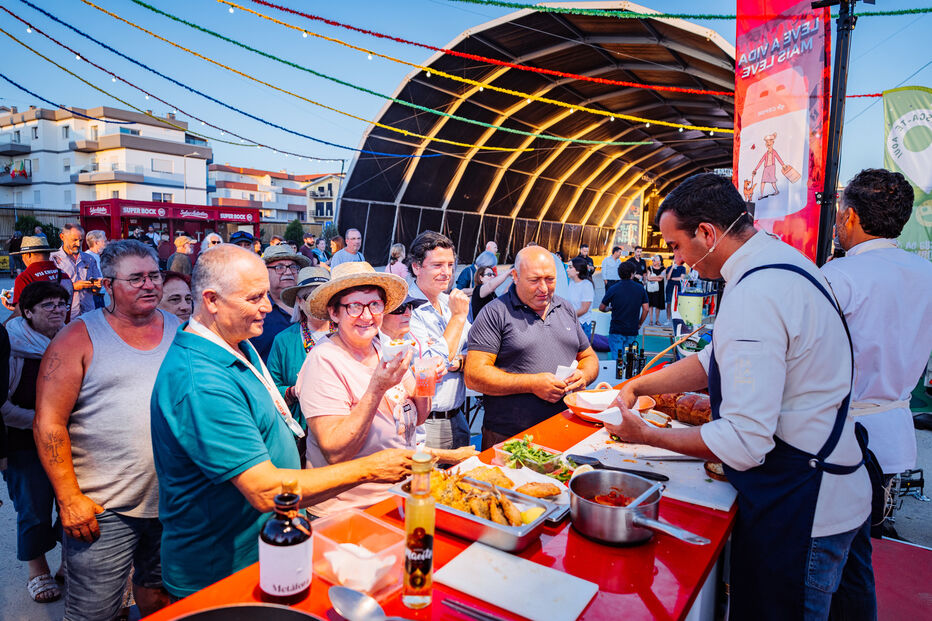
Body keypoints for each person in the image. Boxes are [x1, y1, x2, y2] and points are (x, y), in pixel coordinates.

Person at [604, 173, 872, 620]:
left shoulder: (755, 291)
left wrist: (646, 436)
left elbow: (745, 441)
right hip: (837, 484)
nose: (678, 260)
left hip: (804, 506)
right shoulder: (780, 264)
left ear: (707, 233)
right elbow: (716, 359)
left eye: (675, 246)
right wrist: (639, 385)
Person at [150, 245, 414, 598]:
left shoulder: (235, 343)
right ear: (212, 301)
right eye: (255, 297)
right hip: (220, 569)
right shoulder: (200, 381)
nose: (268, 306)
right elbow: (265, 490)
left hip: (265, 546)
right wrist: (371, 469)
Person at [34, 240, 179, 620]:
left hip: (172, 502)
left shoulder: (183, 332)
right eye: (136, 278)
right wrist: (68, 498)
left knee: (160, 599)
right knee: (94, 612)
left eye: (154, 276)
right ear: (108, 284)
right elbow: (48, 422)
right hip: (103, 510)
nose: (149, 285)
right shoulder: (77, 338)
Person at [822, 168, 932, 480]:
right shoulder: (927, 273)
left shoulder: (838, 275)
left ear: (850, 216)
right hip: (894, 434)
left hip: (841, 438)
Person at [465, 246, 600, 450]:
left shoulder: (565, 308)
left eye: (550, 279)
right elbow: (474, 375)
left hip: (564, 428)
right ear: (515, 276)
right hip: (510, 439)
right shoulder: (495, 313)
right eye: (534, 280)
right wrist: (531, 383)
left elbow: (589, 356)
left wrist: (584, 375)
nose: (544, 288)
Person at [2, 282, 69, 604]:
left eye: (61, 303)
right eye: (48, 305)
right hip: (22, 444)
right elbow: (1, 406)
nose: (58, 310)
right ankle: (37, 570)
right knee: (33, 508)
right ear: (27, 312)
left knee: (76, 503)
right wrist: (44, 421)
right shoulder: (10, 346)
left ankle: (69, 563)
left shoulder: (71, 340)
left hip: (67, 440)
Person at [404, 231, 474, 449]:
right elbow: (430, 368)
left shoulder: (448, 302)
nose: (447, 273)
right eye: (437, 265)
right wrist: (459, 318)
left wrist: (459, 362)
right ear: (416, 267)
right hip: (426, 422)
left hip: (457, 417)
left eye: (450, 265)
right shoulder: (406, 310)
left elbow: (479, 350)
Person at [267, 266, 331, 452]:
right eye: (309, 296)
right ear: (299, 302)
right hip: (300, 432)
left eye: (322, 294)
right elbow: (271, 389)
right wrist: (293, 391)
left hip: (342, 425)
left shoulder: (348, 334)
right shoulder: (284, 340)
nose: (316, 301)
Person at [249, 244, 311, 361]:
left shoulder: (312, 307)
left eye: (293, 267)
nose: (288, 272)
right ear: (265, 273)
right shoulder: (256, 313)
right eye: (279, 267)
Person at [51, 223, 104, 318]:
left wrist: (97, 285)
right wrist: (73, 286)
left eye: (81, 240)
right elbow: (48, 289)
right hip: (65, 316)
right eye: (74, 240)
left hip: (88, 314)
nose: (78, 244)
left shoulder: (89, 259)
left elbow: (96, 290)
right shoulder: (53, 259)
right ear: (62, 237)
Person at [7, 236, 72, 312]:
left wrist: (13, 311)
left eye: (22, 255)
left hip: (39, 323)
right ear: (48, 254)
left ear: (28, 255)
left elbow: (20, 313)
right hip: (64, 323)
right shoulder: (64, 274)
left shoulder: (25, 277)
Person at [599, 262, 648, 362]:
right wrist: (639, 323)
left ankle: (617, 375)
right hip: (632, 328)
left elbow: (601, 307)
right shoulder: (640, 288)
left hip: (616, 328)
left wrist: (609, 309)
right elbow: (646, 309)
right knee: (629, 358)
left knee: (616, 359)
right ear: (632, 273)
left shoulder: (613, 288)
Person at [566, 257, 595, 340]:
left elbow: (584, 309)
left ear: (578, 271)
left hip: (582, 325)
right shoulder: (571, 283)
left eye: (570, 267)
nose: (567, 270)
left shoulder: (587, 285)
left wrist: (567, 317)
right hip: (572, 323)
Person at [664, 256, 687, 325]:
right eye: (675, 259)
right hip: (670, 288)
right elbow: (668, 278)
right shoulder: (669, 268)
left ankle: (677, 320)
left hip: (678, 288)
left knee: (677, 304)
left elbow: (681, 278)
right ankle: (668, 320)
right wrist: (672, 268)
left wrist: (672, 278)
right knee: (669, 304)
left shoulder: (683, 268)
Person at [645, 255, 666, 326]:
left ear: (659, 261)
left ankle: (657, 320)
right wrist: (657, 277)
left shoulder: (663, 268)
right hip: (651, 288)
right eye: (653, 260)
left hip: (659, 288)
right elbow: (648, 278)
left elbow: (661, 278)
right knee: (650, 304)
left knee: (658, 305)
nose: (653, 261)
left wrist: (652, 277)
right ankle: (651, 320)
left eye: (655, 260)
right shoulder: (649, 268)